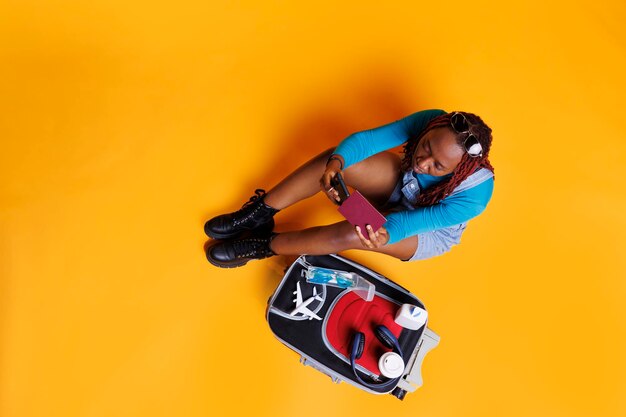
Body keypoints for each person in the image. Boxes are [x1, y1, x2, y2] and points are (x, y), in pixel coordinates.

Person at [204, 109, 495, 268]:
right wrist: (335, 164)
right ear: (432, 129)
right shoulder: (432, 121)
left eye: (438, 167)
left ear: (457, 173)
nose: (423, 161)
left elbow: (405, 222)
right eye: (426, 147)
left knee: (353, 232)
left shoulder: (475, 197)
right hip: (404, 184)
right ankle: (260, 213)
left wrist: (354, 211)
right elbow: (367, 142)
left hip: (424, 229)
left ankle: (264, 245)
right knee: (340, 160)